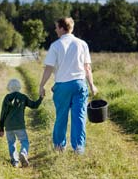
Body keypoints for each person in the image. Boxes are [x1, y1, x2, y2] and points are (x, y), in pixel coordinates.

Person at [39, 17, 98, 154]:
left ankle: (59, 146)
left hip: (62, 87)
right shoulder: (82, 44)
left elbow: (49, 68)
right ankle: (78, 148)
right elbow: (87, 68)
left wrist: (42, 85)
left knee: (61, 117)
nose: (55, 30)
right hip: (79, 85)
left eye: (56, 27)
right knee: (79, 117)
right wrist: (92, 85)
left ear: (61, 28)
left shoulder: (56, 45)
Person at [0, 78, 43, 167]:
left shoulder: (6, 98)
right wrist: (40, 98)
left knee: (11, 143)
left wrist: (1, 128)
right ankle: (23, 153)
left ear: (9, 88)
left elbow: (2, 114)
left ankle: (15, 162)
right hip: (20, 125)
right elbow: (34, 105)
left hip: (9, 126)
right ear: (19, 87)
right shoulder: (23, 97)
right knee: (24, 141)